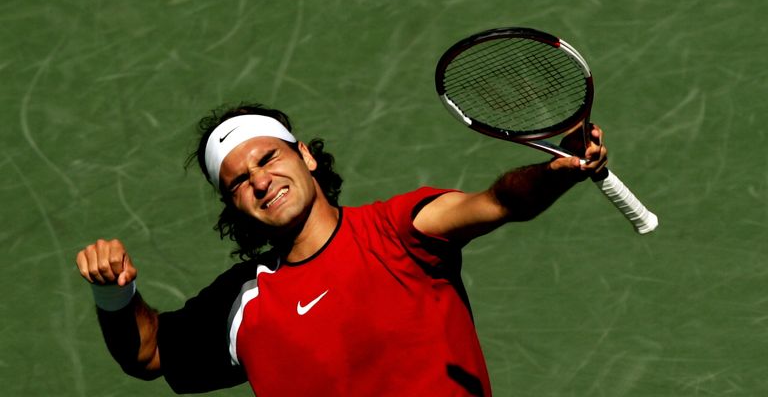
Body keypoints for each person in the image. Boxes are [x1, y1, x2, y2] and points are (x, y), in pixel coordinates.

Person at [76, 102, 608, 396]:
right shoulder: (244, 304)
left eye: (268, 158)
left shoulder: (399, 231)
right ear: (233, 205)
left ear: (305, 156)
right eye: (238, 180)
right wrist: (115, 296)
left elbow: (498, 202)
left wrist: (554, 173)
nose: (260, 181)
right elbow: (149, 353)